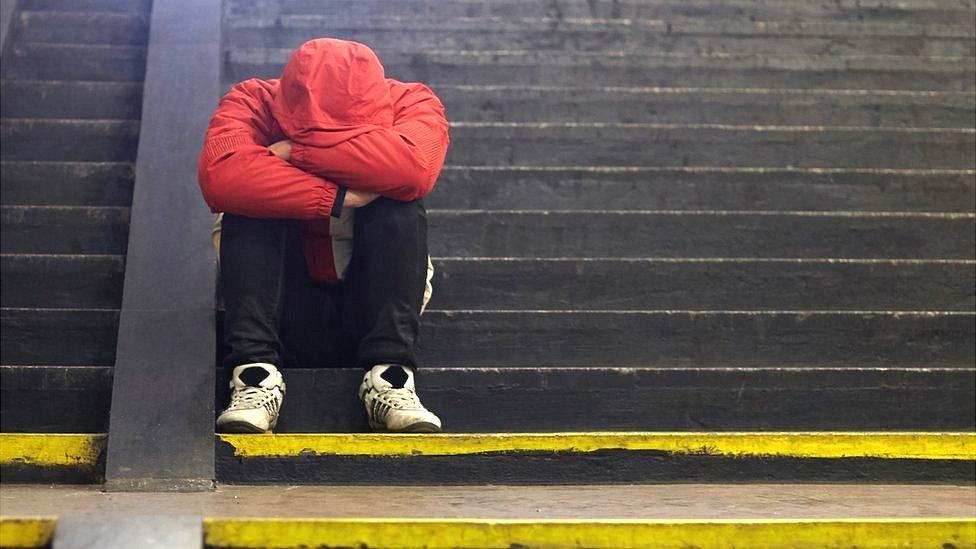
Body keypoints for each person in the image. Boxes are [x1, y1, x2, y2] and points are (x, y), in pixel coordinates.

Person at [197, 38, 450, 434]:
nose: (328, 132)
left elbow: (414, 170)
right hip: (279, 314)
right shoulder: (252, 100)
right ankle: (254, 378)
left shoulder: (411, 102)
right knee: (248, 200)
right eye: (314, 126)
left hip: (370, 312)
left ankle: (391, 378)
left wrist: (294, 151)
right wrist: (336, 196)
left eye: (343, 129)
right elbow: (221, 177)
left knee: (401, 202)